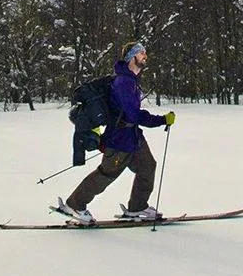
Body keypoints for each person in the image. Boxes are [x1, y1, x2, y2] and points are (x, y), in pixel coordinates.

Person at [56, 42, 176, 223]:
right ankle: (75, 204)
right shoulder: (123, 83)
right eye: (141, 53)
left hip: (133, 137)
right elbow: (133, 114)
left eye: (145, 52)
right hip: (119, 140)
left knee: (147, 166)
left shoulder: (131, 81)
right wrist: (161, 120)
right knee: (106, 175)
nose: (145, 56)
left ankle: (137, 207)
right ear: (131, 57)